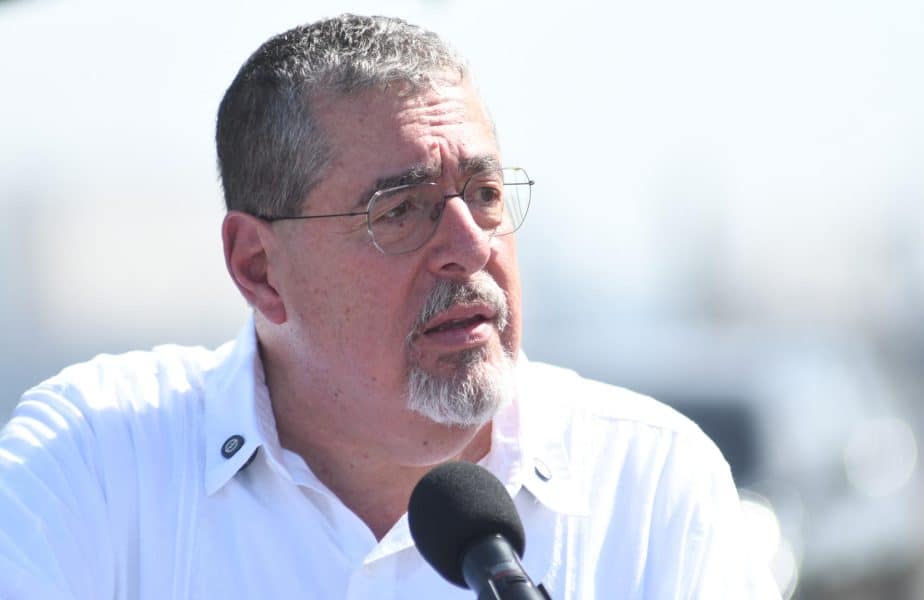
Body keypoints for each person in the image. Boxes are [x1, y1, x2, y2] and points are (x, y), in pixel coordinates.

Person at [0, 14, 777, 599]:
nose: (470, 248)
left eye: (485, 194)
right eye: (401, 212)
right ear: (258, 267)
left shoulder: (650, 483)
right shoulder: (99, 459)